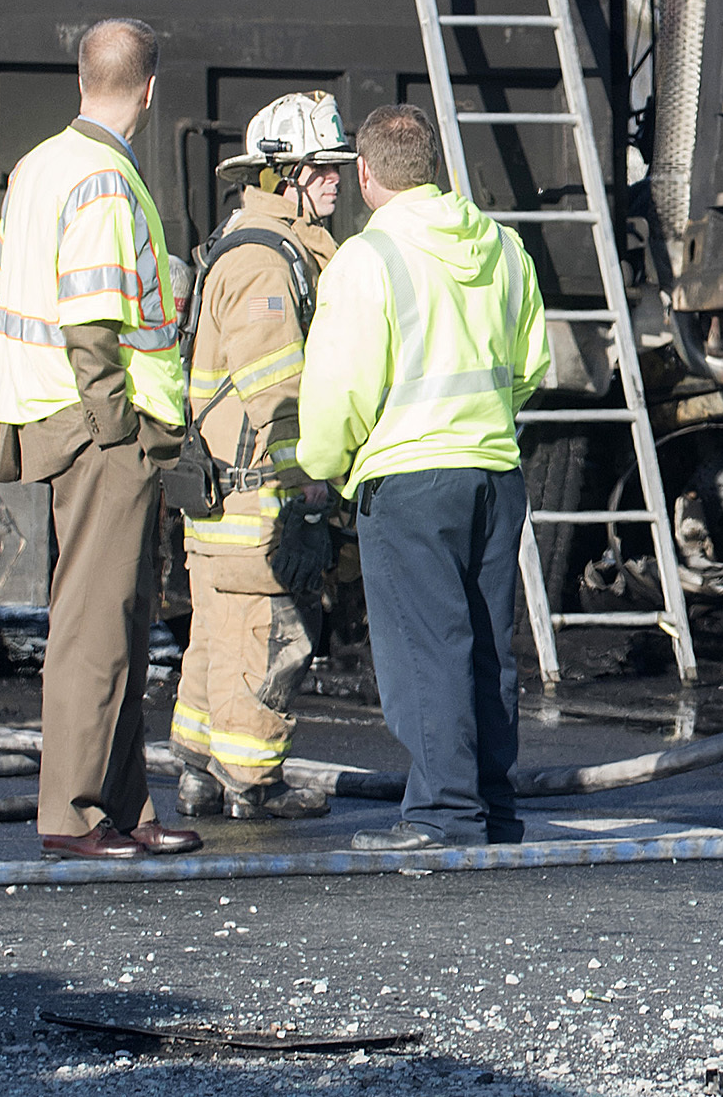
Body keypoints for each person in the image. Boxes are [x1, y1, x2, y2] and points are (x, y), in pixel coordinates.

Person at [296, 102, 551, 851]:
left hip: (409, 478)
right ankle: (491, 809)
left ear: (365, 175)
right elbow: (531, 366)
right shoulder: (503, 249)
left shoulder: (367, 260)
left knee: (426, 650)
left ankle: (442, 815)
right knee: (483, 646)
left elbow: (341, 386)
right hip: (494, 472)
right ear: (432, 169)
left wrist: (322, 467)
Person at [0, 17, 203, 861]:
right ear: (151, 90)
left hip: (53, 417)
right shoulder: (106, 180)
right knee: (93, 626)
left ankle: (121, 808)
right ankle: (75, 815)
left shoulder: (39, 167)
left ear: (85, 78)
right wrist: (119, 432)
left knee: (115, 619)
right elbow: (91, 323)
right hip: (100, 430)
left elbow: (8, 284)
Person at [171, 91, 353, 822]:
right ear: (284, 176)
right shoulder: (266, 264)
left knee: (216, 638)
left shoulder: (250, 245)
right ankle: (253, 782)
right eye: (322, 168)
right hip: (258, 498)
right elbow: (277, 391)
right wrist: (308, 483)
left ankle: (199, 771)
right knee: (266, 636)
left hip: (226, 493)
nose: (337, 179)